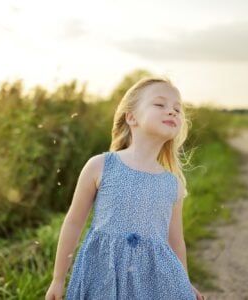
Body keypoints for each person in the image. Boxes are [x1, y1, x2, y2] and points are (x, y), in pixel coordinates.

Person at [45, 76, 204, 300]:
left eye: (177, 109)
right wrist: (58, 278)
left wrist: (184, 283)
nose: (172, 111)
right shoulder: (101, 166)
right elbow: (73, 222)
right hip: (103, 274)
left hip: (154, 282)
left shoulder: (172, 184)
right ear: (131, 117)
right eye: (160, 104)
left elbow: (175, 240)